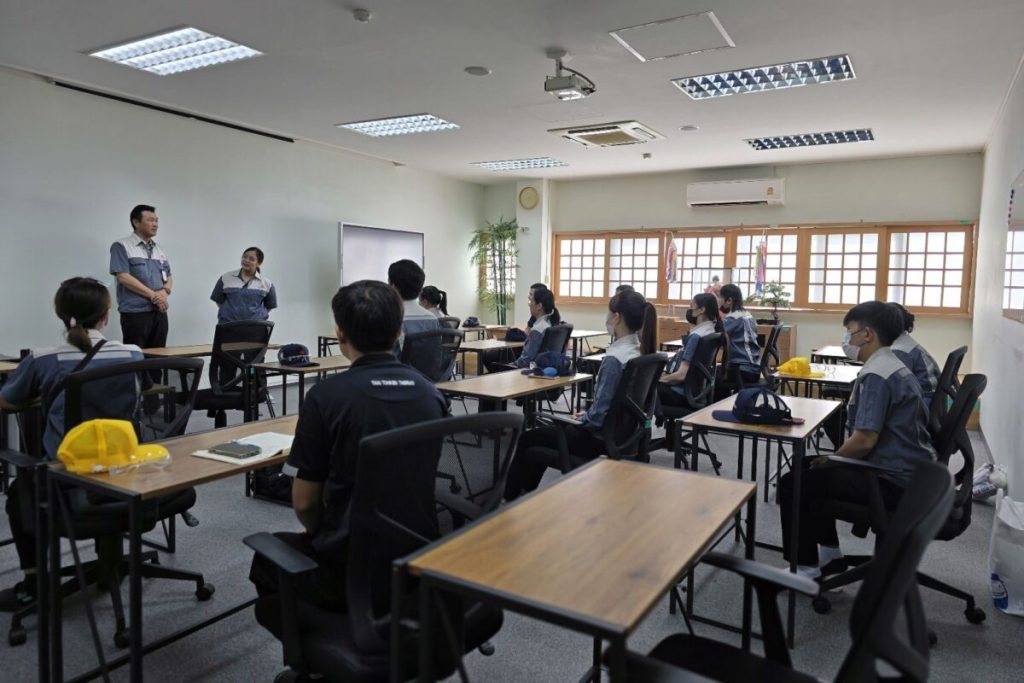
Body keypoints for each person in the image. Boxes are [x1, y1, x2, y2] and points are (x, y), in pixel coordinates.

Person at [248, 280, 448, 610]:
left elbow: (304, 503)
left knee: (267, 561)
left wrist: (324, 535)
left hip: (349, 566)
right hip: (419, 557)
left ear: (340, 333)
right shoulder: (431, 393)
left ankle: (336, 630)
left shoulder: (326, 397)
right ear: (399, 331)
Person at [0, 277, 144, 610]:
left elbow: (7, 401)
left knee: (20, 493)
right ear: (106, 314)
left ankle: (34, 584)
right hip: (127, 470)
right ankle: (109, 563)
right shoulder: (132, 352)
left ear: (61, 314)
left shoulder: (43, 359)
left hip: (68, 478)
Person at [778, 301, 936, 579]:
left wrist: (833, 460)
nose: (848, 340)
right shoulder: (891, 364)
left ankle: (804, 567)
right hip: (910, 472)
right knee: (807, 467)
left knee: (795, 481)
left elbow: (865, 440)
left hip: (892, 480)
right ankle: (830, 556)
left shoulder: (877, 374)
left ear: (867, 334)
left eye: (850, 332)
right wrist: (831, 460)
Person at [504, 290, 656, 499]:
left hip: (598, 440)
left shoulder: (614, 359)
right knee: (540, 441)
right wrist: (588, 415)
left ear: (617, 317)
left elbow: (598, 417)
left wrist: (584, 418)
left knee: (528, 438)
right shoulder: (640, 352)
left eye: (608, 313)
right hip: (627, 437)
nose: (607, 318)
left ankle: (509, 498)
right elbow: (613, 405)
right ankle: (521, 494)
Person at [109, 204, 172, 354]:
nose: (155, 224)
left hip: (159, 312)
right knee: (136, 356)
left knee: (158, 357)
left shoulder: (159, 249)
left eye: (156, 220)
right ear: (136, 222)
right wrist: (154, 295)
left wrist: (164, 292)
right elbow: (123, 277)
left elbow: (169, 276)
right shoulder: (121, 246)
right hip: (135, 313)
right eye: (150, 220)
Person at [658, 293, 721, 407]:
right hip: (697, 392)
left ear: (701, 310)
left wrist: (660, 379)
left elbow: (681, 375)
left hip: (681, 393)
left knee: (644, 389)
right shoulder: (711, 331)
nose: (690, 309)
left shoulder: (695, 337)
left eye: (692, 306)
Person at [887, 302, 941, 405]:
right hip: (931, 399)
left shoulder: (900, 351)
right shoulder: (904, 342)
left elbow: (896, 387)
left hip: (923, 403)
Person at [210, 246, 278, 324]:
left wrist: (255, 316)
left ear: (259, 263)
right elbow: (218, 301)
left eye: (251, 259)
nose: (246, 260)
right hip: (228, 326)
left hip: (256, 328)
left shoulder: (267, 283)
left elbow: (269, 306)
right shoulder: (226, 278)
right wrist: (230, 313)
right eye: (244, 257)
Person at [387, 259, 438, 355]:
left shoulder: (388, 319)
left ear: (393, 286)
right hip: (426, 365)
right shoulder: (432, 319)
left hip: (396, 365)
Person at [719, 284, 762, 384]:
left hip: (743, 370)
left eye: (720, 297)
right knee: (718, 373)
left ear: (729, 300)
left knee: (713, 377)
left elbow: (716, 337)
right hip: (754, 368)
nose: (719, 300)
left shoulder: (733, 318)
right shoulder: (748, 315)